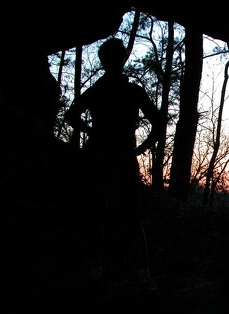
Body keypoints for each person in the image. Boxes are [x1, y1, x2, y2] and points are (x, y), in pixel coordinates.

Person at [65, 38, 162, 292]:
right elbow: (158, 123)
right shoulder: (131, 91)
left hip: (101, 156)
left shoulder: (99, 89)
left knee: (99, 213)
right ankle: (141, 274)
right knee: (130, 215)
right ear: (121, 59)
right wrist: (138, 149)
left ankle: (96, 272)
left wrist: (91, 132)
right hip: (120, 157)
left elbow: (70, 115)